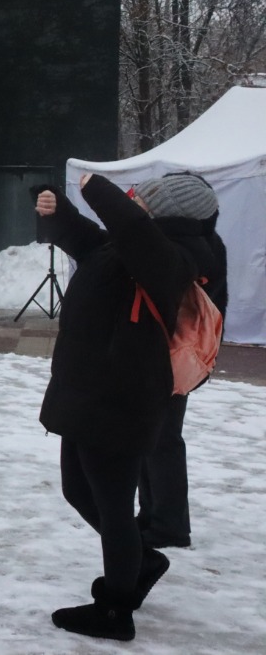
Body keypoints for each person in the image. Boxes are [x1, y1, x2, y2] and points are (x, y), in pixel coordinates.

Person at [35, 173, 201, 642]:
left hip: (120, 398)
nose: (136, 204)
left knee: (111, 503)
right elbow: (88, 239)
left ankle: (115, 610)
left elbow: (130, 228)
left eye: (145, 200)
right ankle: (142, 561)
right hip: (88, 392)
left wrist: (93, 185)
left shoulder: (174, 256)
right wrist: (57, 210)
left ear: (167, 213)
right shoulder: (128, 247)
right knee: (78, 490)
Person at [132, 173, 228, 551]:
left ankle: (170, 523)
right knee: (151, 436)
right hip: (170, 355)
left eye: (150, 203)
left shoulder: (189, 248)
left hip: (173, 357)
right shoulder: (194, 242)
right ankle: (152, 514)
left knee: (162, 439)